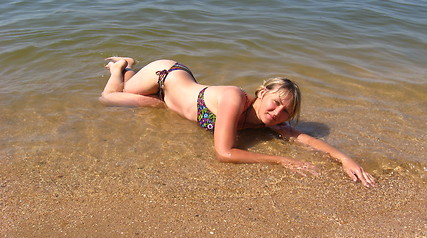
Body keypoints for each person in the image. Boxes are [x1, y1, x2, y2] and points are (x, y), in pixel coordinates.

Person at [100, 57, 376, 187]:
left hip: (173, 90)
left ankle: (129, 71)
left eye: (286, 112)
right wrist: (282, 160)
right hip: (164, 74)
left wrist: (345, 160)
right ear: (262, 92)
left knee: (147, 100)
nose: (278, 113)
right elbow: (224, 153)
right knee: (111, 98)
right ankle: (119, 66)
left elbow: (304, 138)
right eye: (276, 102)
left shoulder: (269, 123)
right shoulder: (234, 98)